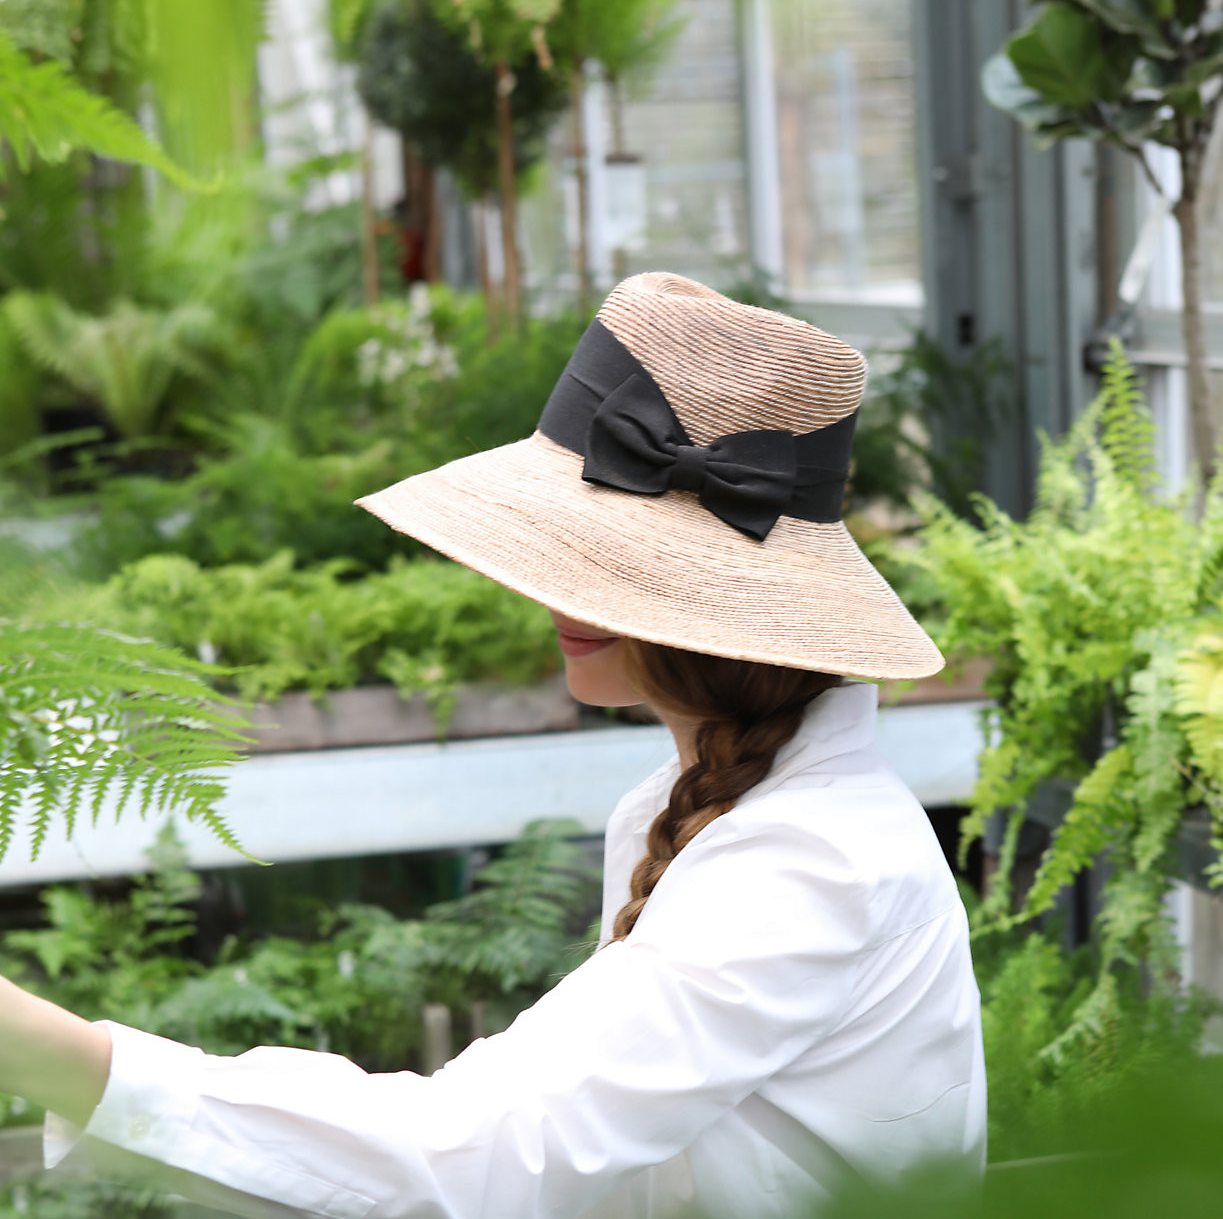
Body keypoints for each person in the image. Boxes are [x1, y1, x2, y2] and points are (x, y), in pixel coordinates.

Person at [0, 273, 986, 1218]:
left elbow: (475, 1152)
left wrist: (44, 1047)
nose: (553, 596)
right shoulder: (711, 803)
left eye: (607, 561)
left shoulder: (805, 865)